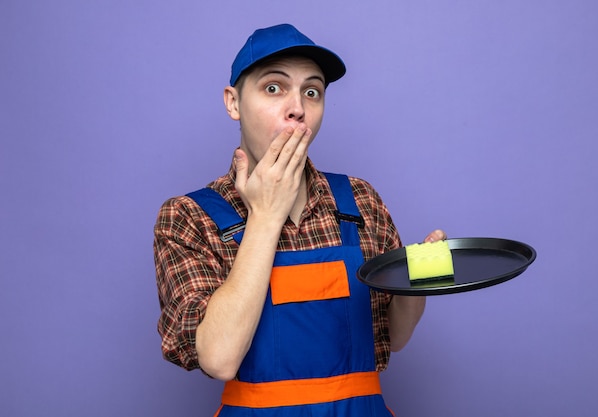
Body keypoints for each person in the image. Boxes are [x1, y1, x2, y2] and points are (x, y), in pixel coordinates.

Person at [154, 23, 446, 416]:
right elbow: (219, 358)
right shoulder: (189, 217)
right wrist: (265, 215)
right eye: (273, 88)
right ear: (233, 102)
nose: (298, 107)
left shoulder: (359, 201)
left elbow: (394, 337)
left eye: (312, 91)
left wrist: (418, 282)